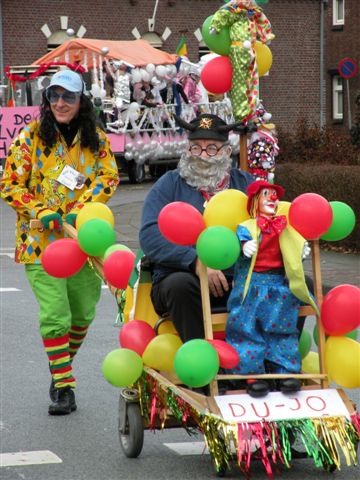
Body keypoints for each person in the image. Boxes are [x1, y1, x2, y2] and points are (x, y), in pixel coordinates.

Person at [0, 69, 119, 415]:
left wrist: (79, 212)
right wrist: (41, 210)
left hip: (81, 241)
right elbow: (9, 184)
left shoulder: (94, 138)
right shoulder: (31, 137)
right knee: (56, 316)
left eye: (67, 96)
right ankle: (65, 387)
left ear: (81, 101)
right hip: (40, 244)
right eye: (54, 96)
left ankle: (59, 368)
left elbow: (108, 176)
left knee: (83, 312)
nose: (60, 103)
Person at [139, 113, 254, 342]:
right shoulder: (169, 184)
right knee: (179, 285)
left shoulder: (247, 185)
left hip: (240, 280)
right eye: (195, 148)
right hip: (183, 278)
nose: (202, 155)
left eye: (211, 148)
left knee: (297, 285)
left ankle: (273, 363)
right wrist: (196, 261)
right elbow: (150, 235)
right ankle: (202, 367)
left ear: (226, 152)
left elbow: (271, 225)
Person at [225, 180, 316, 397]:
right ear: (255, 201)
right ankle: (252, 375)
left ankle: (284, 372)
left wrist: (301, 248)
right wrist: (243, 244)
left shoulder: (283, 226)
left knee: (282, 329)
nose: (272, 199)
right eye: (267, 194)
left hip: (277, 287)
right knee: (246, 329)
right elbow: (235, 243)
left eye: (274, 195)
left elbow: (295, 242)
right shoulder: (246, 227)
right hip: (251, 287)